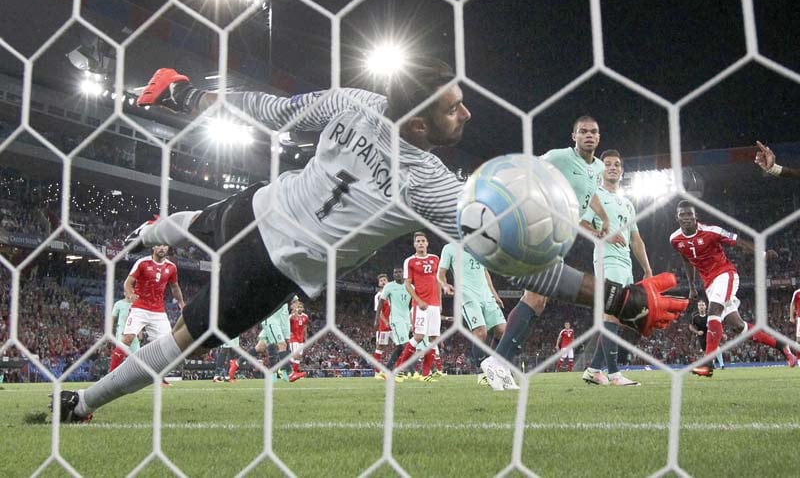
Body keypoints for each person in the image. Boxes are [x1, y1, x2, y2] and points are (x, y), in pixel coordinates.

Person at [51, 60, 687, 422]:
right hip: (273, 268)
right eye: (452, 108)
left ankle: (147, 232)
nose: (465, 115)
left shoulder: (355, 100)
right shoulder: (431, 187)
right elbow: (524, 269)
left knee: (204, 223)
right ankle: (82, 403)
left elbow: (269, 110)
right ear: (416, 120)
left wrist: (188, 93)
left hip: (259, 206)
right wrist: (620, 298)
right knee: (184, 339)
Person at [483, 116, 612, 379]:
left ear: (599, 137)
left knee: (537, 299)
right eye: (583, 132)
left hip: (560, 236)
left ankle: (499, 363)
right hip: (540, 230)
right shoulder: (560, 157)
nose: (589, 135)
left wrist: (604, 218)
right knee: (536, 297)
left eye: (594, 132)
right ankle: (498, 363)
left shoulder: (597, 167)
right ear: (573, 136)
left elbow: (591, 193)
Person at [670, 200, 796, 377]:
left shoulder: (711, 231)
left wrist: (763, 254)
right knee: (738, 326)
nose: (686, 217)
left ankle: (707, 363)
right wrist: (691, 286)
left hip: (725, 274)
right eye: (682, 214)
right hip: (709, 284)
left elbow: (739, 243)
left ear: (695, 216)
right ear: (677, 217)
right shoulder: (675, 240)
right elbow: (686, 260)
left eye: (689, 214)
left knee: (713, 311)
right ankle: (783, 346)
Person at [579, 150, 651, 386]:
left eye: (616, 164)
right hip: (606, 259)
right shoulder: (594, 195)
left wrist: (648, 270)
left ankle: (593, 370)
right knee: (611, 313)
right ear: (601, 170)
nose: (612, 167)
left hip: (626, 264)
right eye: (607, 164)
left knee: (619, 319)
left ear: (622, 171)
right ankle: (614, 374)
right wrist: (604, 235)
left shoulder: (628, 204)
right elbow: (581, 223)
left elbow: (636, 239)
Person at [437, 242, 508, 390]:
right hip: (467, 295)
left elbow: (484, 271)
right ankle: (482, 373)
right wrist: (444, 285)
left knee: (503, 330)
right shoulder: (449, 248)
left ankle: (496, 365)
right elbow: (441, 273)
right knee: (480, 332)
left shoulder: (480, 246)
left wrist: (494, 294)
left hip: (486, 295)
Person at [108, 244, 185, 373]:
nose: (162, 248)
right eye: (159, 245)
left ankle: (158, 376)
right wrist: (131, 294)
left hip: (158, 311)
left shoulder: (171, 267)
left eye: (165, 246)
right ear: (153, 248)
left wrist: (181, 302)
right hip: (140, 308)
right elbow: (128, 282)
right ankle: (111, 373)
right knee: (127, 338)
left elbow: (174, 287)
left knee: (167, 345)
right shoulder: (142, 263)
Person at [393, 232, 442, 382]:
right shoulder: (410, 261)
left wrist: (440, 303)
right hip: (420, 305)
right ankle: (399, 369)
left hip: (434, 304)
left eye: (423, 241)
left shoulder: (435, 259)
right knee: (419, 336)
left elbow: (438, 280)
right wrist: (418, 300)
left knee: (433, 339)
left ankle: (425, 374)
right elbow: (407, 284)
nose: (421, 243)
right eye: (418, 241)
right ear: (414, 244)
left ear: (427, 243)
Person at [377, 267, 412, 381]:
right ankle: (410, 371)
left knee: (400, 348)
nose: (397, 274)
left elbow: (416, 300)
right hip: (396, 320)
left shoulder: (410, 286)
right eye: (395, 272)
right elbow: (381, 303)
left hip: (406, 319)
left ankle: (386, 371)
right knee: (406, 345)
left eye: (399, 272)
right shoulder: (389, 286)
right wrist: (377, 318)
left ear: (403, 273)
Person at [255, 297, 293, 382]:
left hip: (279, 324)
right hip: (272, 324)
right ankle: (277, 375)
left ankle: (281, 374)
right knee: (274, 349)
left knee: (281, 348)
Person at [688, 298, 724, 369]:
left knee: (717, 348)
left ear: (705, 306)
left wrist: (721, 332)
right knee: (707, 351)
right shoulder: (694, 316)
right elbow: (690, 326)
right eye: (700, 305)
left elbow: (716, 323)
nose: (701, 306)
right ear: (698, 307)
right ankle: (712, 364)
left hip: (710, 333)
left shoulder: (710, 315)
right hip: (701, 336)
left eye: (702, 305)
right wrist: (697, 332)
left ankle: (722, 365)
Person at [372, 273, 391, 376]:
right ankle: (377, 372)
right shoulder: (378, 296)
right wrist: (386, 322)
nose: (383, 282)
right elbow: (379, 312)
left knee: (401, 346)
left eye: (385, 280)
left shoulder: (392, 293)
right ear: (379, 284)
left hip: (395, 325)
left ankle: (400, 371)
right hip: (384, 326)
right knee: (380, 347)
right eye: (381, 281)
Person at [288, 299, 310, 382]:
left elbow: (305, 327)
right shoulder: (292, 316)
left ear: (303, 308)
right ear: (296, 308)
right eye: (298, 307)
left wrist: (306, 338)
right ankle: (289, 372)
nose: (300, 308)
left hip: (301, 340)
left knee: (298, 357)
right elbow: (287, 326)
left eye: (301, 307)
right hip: (294, 339)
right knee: (295, 356)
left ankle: (294, 373)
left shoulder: (305, 316)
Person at [789, 288, 800, 359]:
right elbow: (792, 304)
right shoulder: (797, 292)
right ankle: (799, 359)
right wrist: (791, 317)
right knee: (798, 340)